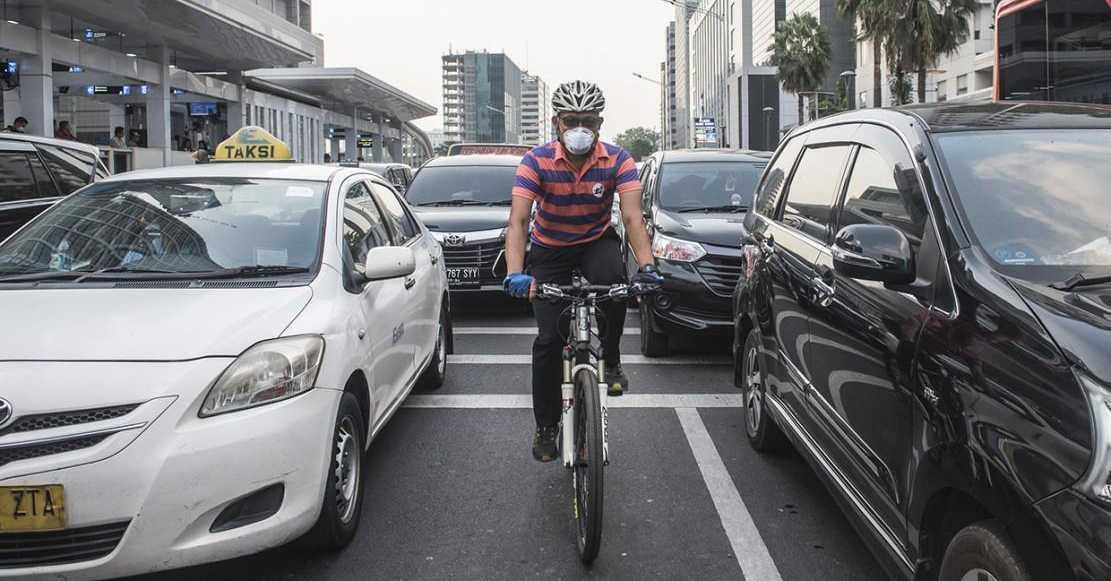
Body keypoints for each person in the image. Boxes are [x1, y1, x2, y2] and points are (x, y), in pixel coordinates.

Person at [503, 81, 662, 462]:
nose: (579, 128)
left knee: (617, 286)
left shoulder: (619, 159)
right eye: (571, 120)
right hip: (550, 250)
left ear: (600, 123)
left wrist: (648, 267)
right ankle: (546, 426)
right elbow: (519, 221)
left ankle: (611, 357)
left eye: (587, 121)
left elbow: (631, 217)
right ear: (557, 122)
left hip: (595, 240)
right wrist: (515, 272)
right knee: (547, 341)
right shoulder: (535, 161)